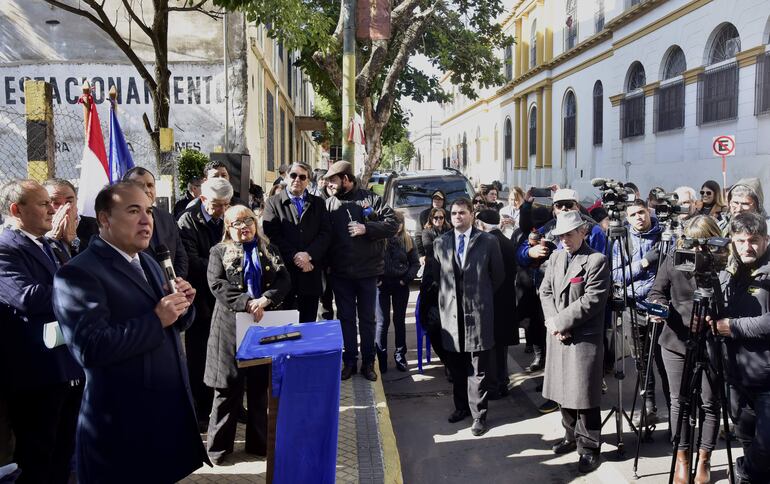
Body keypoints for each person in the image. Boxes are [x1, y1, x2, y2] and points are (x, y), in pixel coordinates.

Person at [52, 181, 208, 482]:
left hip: (160, 421)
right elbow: (90, 348)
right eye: (133, 210)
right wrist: (157, 318)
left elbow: (170, 328)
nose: (146, 219)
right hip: (122, 428)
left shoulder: (148, 261)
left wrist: (180, 308)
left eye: (148, 211)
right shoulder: (78, 273)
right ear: (104, 219)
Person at [0, 180, 84, 484]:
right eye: (43, 204)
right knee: (38, 458)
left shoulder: (48, 243)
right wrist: (79, 289)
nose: (52, 209)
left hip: (66, 364)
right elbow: (27, 297)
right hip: (36, 373)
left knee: (63, 455)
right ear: (15, 209)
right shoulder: (6, 247)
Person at [205, 205, 290, 464]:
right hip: (230, 330)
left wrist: (265, 300)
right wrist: (246, 302)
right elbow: (217, 284)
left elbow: (284, 280)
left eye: (248, 221)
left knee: (258, 390)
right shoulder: (218, 252)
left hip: (261, 328)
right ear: (228, 229)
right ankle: (218, 450)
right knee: (226, 389)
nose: (244, 227)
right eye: (236, 223)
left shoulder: (270, 250)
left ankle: (259, 444)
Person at [516, 189, 607, 414]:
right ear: (553, 208)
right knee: (559, 381)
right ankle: (565, 422)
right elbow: (522, 256)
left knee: (583, 389)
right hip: (554, 315)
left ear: (577, 205)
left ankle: (587, 442)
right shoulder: (549, 230)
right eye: (559, 205)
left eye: (569, 204)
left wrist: (561, 322)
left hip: (580, 322)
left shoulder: (593, 231)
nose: (564, 209)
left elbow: (594, 290)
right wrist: (530, 252)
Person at [648, 215, 723, 484]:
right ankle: (681, 458)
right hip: (675, 339)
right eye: (691, 244)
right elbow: (656, 293)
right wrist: (669, 313)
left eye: (703, 245)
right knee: (679, 401)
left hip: (712, 340)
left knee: (709, 403)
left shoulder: (722, 264)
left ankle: (704, 459)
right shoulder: (674, 258)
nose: (696, 252)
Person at [539, 211, 610, 474]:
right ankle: (570, 436)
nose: (565, 240)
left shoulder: (596, 260)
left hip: (583, 338)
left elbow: (592, 301)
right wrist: (553, 322)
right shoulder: (556, 256)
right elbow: (545, 290)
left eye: (570, 234)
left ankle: (590, 447)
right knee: (562, 391)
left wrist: (561, 323)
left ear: (582, 232)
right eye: (561, 235)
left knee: (584, 395)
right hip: (559, 333)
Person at [707, 212, 770, 483]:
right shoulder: (727, 270)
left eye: (754, 240)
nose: (748, 246)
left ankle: (746, 470)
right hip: (734, 373)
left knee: (766, 445)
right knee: (745, 435)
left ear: (766, 239)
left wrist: (731, 326)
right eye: (741, 240)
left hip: (767, 379)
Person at [433, 198, 504, 436]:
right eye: (453, 213)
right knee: (456, 366)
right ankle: (460, 408)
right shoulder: (440, 242)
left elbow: (498, 276)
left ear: (472, 214)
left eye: (462, 213)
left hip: (477, 313)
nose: (457, 217)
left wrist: (479, 297)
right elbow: (437, 278)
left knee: (478, 368)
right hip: (451, 316)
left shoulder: (488, 241)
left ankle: (479, 415)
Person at [324, 161, 399, 381]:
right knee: (345, 319)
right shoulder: (329, 204)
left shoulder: (371, 199)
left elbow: (392, 224)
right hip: (340, 274)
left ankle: (368, 363)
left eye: (333, 180)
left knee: (367, 320)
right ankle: (349, 362)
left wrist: (367, 228)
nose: (329, 184)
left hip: (368, 273)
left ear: (346, 179)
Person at [178, 177, 234, 430]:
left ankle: (230, 406)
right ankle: (200, 411)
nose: (221, 210)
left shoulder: (231, 217)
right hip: (200, 299)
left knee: (228, 356)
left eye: (225, 205)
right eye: (216, 205)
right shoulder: (187, 221)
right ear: (202, 199)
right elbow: (190, 260)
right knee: (200, 357)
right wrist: (222, 269)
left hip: (228, 299)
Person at [611, 200, 668, 425]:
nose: (639, 217)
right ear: (627, 217)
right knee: (642, 363)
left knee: (664, 363)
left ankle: (675, 411)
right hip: (634, 310)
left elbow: (665, 277)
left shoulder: (664, 236)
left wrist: (637, 283)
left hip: (660, 310)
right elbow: (616, 276)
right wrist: (644, 262)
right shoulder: (622, 240)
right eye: (633, 214)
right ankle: (649, 407)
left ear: (649, 212)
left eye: (642, 212)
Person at [262, 162, 331, 323]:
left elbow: (326, 233)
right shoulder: (273, 202)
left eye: (302, 177)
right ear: (286, 176)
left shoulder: (318, 203)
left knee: (308, 325)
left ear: (308, 181)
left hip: (310, 271)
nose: (297, 180)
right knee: (286, 326)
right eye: (293, 175)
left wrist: (309, 255)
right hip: (285, 275)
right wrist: (296, 256)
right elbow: (272, 235)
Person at [475, 209, 518, 398]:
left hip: (491, 301)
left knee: (491, 346)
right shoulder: (507, 242)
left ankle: (493, 386)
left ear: (482, 225)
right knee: (501, 346)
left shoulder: (487, 243)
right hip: (507, 300)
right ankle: (503, 382)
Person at [124, 166, 189, 278]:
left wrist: (175, 283)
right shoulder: (121, 220)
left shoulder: (167, 218)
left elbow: (180, 256)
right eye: (139, 185)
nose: (146, 190)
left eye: (150, 185)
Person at [376, 211, 420, 373]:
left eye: (399, 222)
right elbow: (372, 259)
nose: (396, 225)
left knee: (399, 320)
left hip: (400, 285)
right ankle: (381, 358)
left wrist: (405, 279)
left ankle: (400, 356)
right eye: (393, 222)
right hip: (382, 284)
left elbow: (415, 263)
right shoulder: (381, 239)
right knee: (382, 322)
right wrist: (377, 280)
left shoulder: (408, 240)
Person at [417, 207, 452, 372]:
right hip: (432, 287)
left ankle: (452, 363)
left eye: (441, 217)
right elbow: (430, 248)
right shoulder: (428, 233)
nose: (439, 220)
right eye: (436, 217)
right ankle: (447, 362)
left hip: (448, 290)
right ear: (431, 219)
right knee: (434, 327)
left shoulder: (449, 231)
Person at [42, 178, 99, 256]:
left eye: (69, 202)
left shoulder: (96, 225)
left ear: (76, 200)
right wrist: (51, 240)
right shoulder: (35, 228)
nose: (64, 207)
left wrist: (74, 241)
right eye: (55, 203)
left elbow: (102, 260)